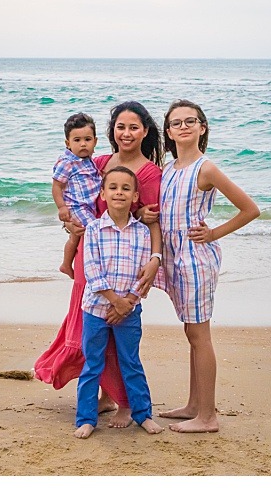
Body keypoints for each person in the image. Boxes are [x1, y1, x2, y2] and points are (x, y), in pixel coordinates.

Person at [35, 100, 164, 428]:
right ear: (111, 132)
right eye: (120, 126)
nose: (126, 133)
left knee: (118, 337)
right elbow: (81, 200)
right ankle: (105, 397)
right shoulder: (99, 161)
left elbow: (149, 220)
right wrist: (67, 221)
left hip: (126, 263)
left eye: (134, 127)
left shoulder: (149, 172)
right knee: (89, 331)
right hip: (92, 256)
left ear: (145, 131)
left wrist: (155, 259)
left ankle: (124, 402)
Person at [154, 99, 259, 433]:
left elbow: (249, 209)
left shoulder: (206, 168)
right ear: (168, 133)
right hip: (172, 258)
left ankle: (208, 416)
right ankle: (193, 405)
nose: (183, 126)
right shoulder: (169, 169)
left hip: (195, 259)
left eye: (191, 121)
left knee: (200, 334)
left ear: (202, 127)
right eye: (176, 123)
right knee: (191, 331)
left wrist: (213, 232)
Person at [74, 167, 164, 439]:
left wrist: (130, 301)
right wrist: (115, 301)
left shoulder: (142, 232)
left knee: (131, 361)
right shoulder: (94, 229)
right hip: (96, 309)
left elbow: (144, 271)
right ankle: (86, 419)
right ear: (103, 193)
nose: (119, 193)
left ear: (135, 195)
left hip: (129, 310)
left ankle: (143, 415)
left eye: (126, 188)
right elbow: (92, 271)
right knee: (93, 365)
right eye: (112, 187)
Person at [53, 113, 102, 279]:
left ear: (95, 141)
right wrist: (62, 207)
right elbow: (57, 186)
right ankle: (88, 266)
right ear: (68, 143)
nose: (83, 144)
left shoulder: (89, 160)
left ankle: (66, 264)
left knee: (75, 237)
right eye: (77, 140)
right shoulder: (66, 162)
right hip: (76, 207)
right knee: (94, 229)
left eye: (87, 139)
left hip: (88, 206)